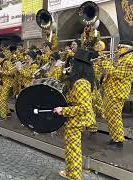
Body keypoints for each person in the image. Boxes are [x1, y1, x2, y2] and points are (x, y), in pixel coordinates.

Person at [53, 49, 96, 180]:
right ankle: (70, 172)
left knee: (74, 150)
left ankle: (75, 176)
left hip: (77, 120)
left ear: (79, 66)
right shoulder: (79, 81)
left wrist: (63, 110)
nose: (70, 67)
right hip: (74, 120)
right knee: (71, 148)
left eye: (73, 64)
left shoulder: (81, 83)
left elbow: (84, 107)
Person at [99, 40, 133, 150]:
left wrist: (105, 62)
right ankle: (114, 137)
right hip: (112, 91)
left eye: (120, 47)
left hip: (118, 93)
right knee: (109, 116)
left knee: (115, 117)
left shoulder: (130, 60)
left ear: (127, 48)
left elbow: (117, 74)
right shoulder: (122, 58)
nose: (117, 50)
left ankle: (119, 141)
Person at [0, 51, 15, 120]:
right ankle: (8, 112)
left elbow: (12, 72)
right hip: (1, 83)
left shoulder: (7, 62)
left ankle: (3, 116)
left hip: (7, 83)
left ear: (0, 57)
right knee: (1, 99)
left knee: (2, 99)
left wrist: (2, 72)